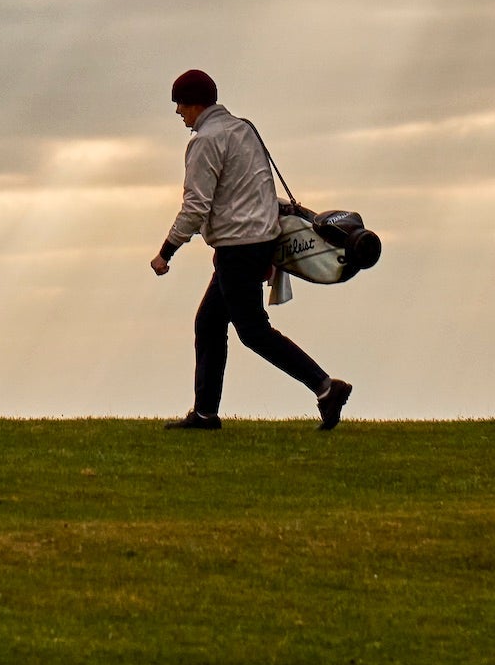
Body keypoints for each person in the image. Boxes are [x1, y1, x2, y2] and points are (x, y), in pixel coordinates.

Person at [148, 68, 352, 430]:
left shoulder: (204, 142)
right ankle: (205, 414)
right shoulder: (244, 129)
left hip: (238, 248)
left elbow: (196, 206)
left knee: (254, 332)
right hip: (260, 241)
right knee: (209, 323)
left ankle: (325, 387)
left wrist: (167, 250)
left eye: (180, 104)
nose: (178, 113)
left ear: (194, 104)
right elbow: (255, 188)